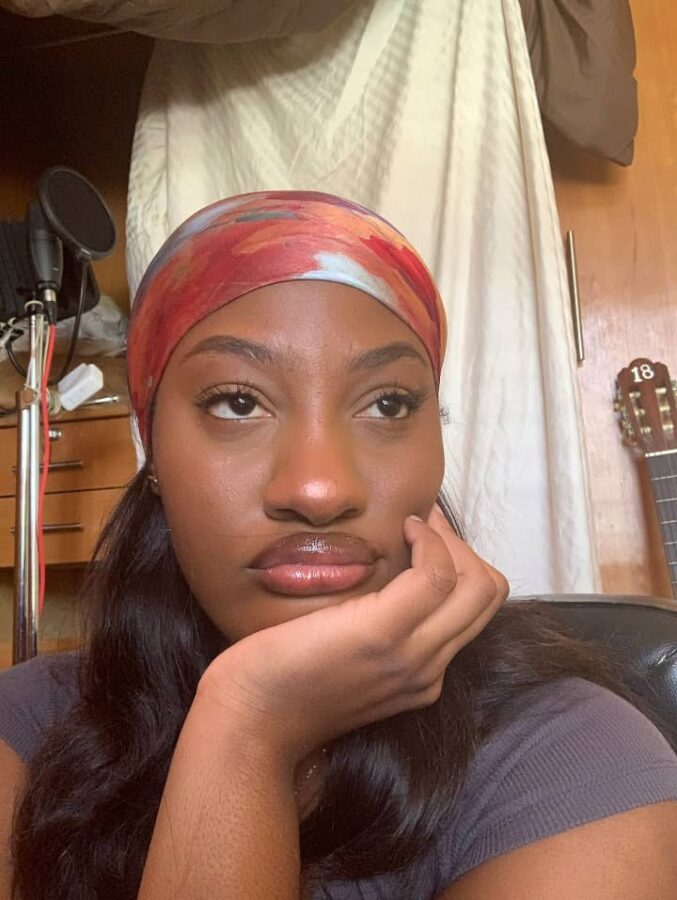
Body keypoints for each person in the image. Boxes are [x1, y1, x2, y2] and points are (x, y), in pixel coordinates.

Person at [1, 191, 676, 900]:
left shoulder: (579, 758)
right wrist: (249, 730)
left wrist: (248, 727)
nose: (319, 489)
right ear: (152, 447)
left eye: (388, 403)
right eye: (237, 402)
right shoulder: (26, 728)